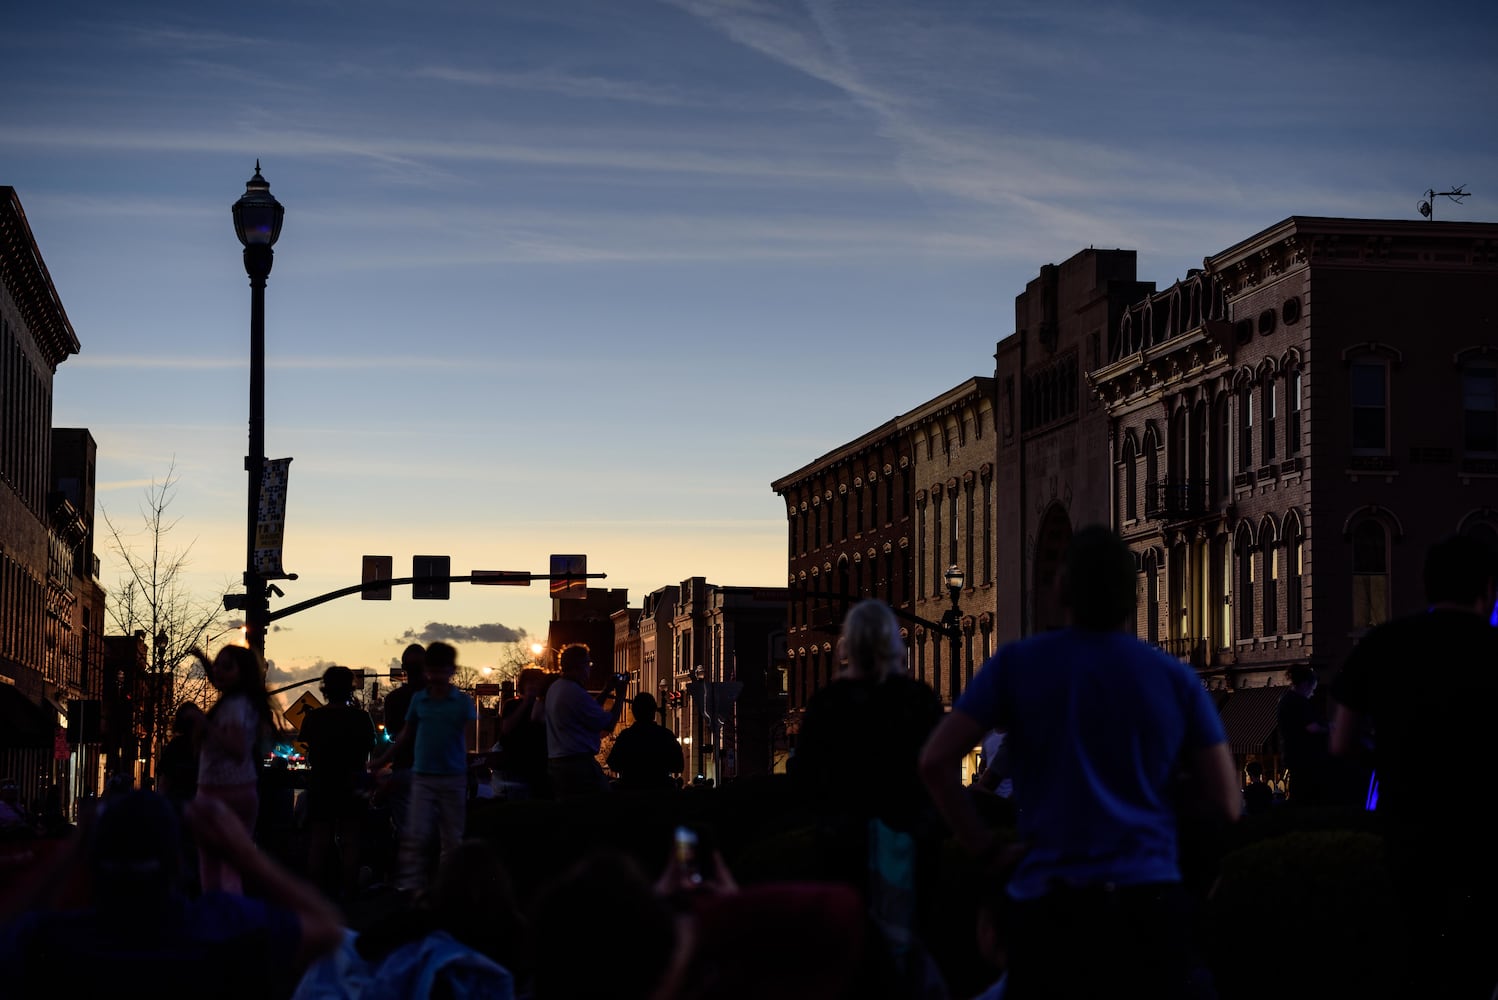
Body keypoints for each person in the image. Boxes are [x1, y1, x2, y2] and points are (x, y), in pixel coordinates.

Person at [919, 525, 1239, 1000]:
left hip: (1049, 900)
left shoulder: (1017, 666)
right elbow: (1228, 805)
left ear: (1061, 589)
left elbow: (934, 762)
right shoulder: (1175, 679)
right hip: (1148, 898)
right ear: (1132, 596)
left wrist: (984, 849)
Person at [1330, 533, 1498, 998]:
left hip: (1404, 840)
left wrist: (1387, 759)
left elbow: (1341, 741)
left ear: (1427, 586)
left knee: (1412, 966)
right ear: (1487, 589)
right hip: (1482, 843)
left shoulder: (1382, 645)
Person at [0, 791, 343, 998]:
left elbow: (9, 930)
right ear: (179, 862)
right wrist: (243, 852)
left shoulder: (46, 941)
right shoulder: (225, 927)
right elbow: (328, 929)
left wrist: (74, 850)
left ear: (91, 860)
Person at [792, 598, 944, 983]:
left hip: (843, 844)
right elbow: (935, 774)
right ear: (894, 643)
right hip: (909, 843)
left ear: (848, 645)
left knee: (848, 957)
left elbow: (806, 780)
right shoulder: (918, 701)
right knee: (909, 950)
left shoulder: (827, 705)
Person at [370, 641, 476, 893]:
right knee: (420, 837)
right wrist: (381, 761)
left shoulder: (460, 702)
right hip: (421, 776)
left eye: (442, 669)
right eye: (433, 669)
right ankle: (417, 891)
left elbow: (466, 741)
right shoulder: (420, 700)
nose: (436, 675)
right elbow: (406, 734)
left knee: (443, 838)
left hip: (446, 776)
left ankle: (441, 890)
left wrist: (467, 767)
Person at [191, 644, 273, 894]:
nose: (218, 671)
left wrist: (204, 725)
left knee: (215, 867)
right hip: (238, 790)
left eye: (227, 666)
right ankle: (230, 917)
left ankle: (224, 919)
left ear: (243, 672)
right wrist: (203, 659)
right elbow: (219, 681)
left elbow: (237, 748)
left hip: (220, 792)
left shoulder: (234, 706)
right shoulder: (243, 701)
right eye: (217, 664)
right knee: (230, 863)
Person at [301, 665, 377, 900]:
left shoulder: (314, 717)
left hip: (322, 783)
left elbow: (306, 748)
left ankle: (315, 893)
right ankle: (349, 892)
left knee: (319, 839)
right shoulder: (361, 718)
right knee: (351, 840)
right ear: (350, 689)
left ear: (325, 689)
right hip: (352, 784)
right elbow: (370, 748)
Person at [543, 645, 627, 798]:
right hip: (578, 765)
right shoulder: (574, 692)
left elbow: (589, 708)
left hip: (557, 763)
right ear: (579, 666)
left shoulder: (555, 688)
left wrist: (606, 691)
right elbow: (608, 723)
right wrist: (620, 696)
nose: (589, 669)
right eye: (588, 664)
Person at [378, 643, 427, 840]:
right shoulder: (444, 697)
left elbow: (393, 734)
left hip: (405, 770)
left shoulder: (394, 699)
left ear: (403, 668)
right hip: (439, 772)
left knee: (406, 833)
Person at [607, 692, 685, 792]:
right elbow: (678, 766)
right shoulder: (666, 736)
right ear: (653, 712)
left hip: (631, 790)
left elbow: (613, 763)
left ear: (634, 712)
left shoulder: (626, 736)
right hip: (660, 790)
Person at [1276, 665, 1329, 806]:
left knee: (1298, 793)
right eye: (1312, 689)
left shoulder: (1285, 699)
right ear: (1306, 684)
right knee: (1306, 795)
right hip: (1305, 757)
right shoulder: (1299, 702)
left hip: (1292, 755)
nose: (1312, 693)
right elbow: (1312, 727)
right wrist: (1330, 729)